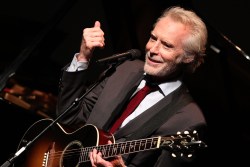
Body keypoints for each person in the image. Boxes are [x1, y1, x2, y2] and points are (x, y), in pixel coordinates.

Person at [56, 6, 208, 167]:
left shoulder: (189, 119)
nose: (152, 49)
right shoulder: (123, 69)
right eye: (152, 38)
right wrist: (83, 56)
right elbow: (68, 118)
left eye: (167, 45)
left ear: (189, 57)